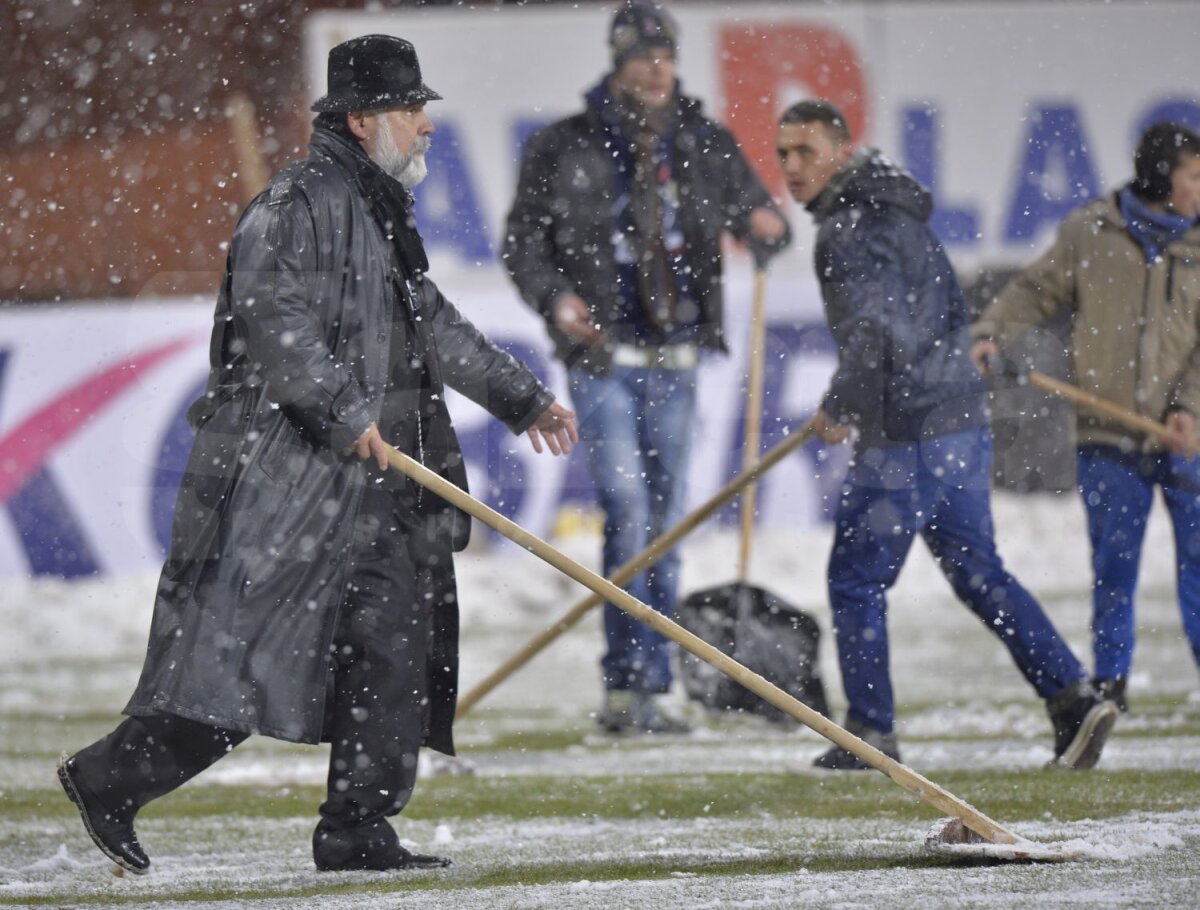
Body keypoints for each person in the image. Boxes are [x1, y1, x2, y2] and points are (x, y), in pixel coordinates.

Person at [57, 34, 577, 875]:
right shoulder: (293, 204)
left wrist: (522, 399)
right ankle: (110, 778)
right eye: (413, 109)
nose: (426, 126)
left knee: (395, 647)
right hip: (284, 482)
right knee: (240, 665)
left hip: (367, 489)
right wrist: (341, 409)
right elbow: (275, 319)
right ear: (367, 119)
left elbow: (432, 324)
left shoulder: (376, 210)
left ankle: (358, 828)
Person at [775, 99, 1118, 770]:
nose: (791, 167)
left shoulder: (847, 227)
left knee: (855, 580)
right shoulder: (898, 211)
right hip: (958, 419)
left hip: (905, 432)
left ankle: (869, 732)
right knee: (978, 572)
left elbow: (875, 332)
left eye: (805, 151)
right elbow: (935, 313)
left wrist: (842, 403)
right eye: (783, 153)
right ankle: (1073, 698)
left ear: (841, 152)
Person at [503, 0, 790, 734]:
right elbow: (523, 245)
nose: (657, 69)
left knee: (667, 521)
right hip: (604, 358)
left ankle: (651, 685)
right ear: (617, 63)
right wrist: (556, 297)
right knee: (629, 515)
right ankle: (628, 686)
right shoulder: (563, 147)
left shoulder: (703, 140)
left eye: (665, 56)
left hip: (679, 356)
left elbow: (756, 212)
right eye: (642, 58)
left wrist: (767, 224)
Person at [971, 122, 1200, 712]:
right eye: (1194, 177)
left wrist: (1188, 410)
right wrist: (992, 331)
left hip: (1187, 439)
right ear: (1160, 176)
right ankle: (1112, 682)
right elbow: (1036, 290)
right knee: (1113, 568)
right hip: (1107, 434)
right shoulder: (1090, 231)